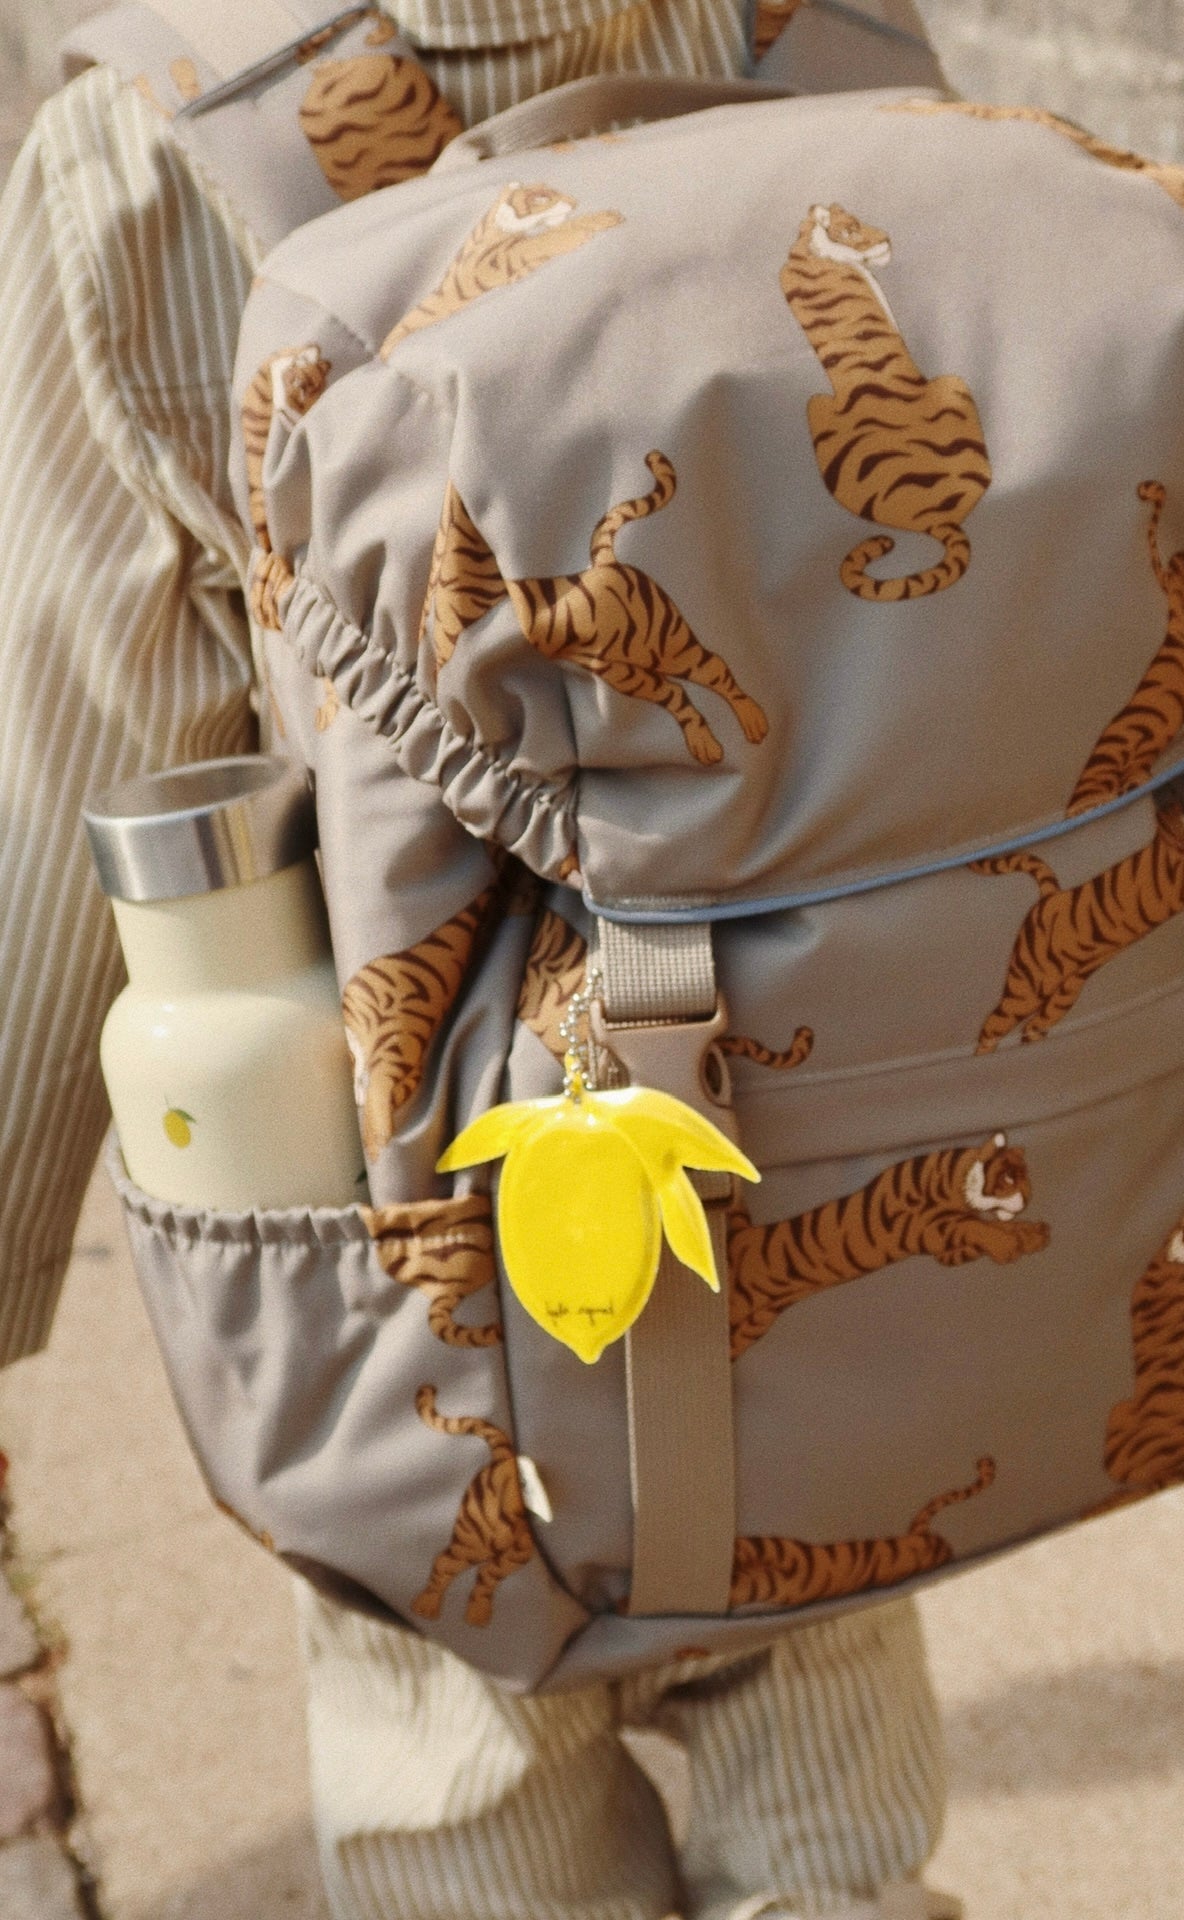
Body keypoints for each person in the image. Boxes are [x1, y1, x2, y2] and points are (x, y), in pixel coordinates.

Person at [0, 4, 960, 1917]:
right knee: (829, 1709)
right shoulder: (829, 31)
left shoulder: (140, 154)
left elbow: (80, 756)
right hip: (826, 1098)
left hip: (422, 1198)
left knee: (463, 1781)